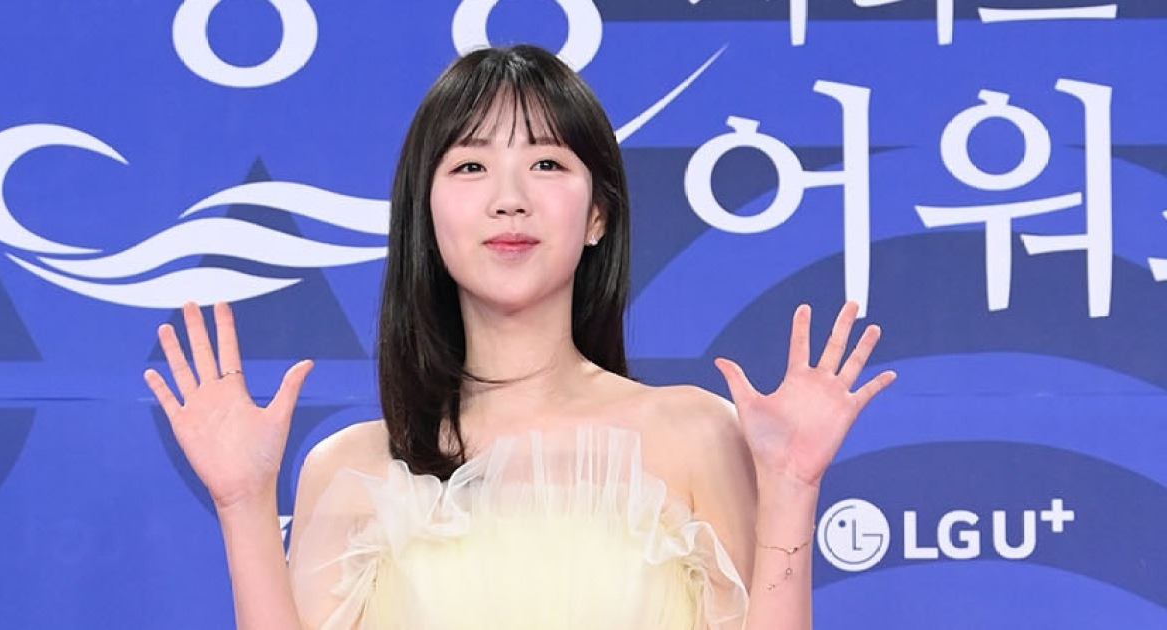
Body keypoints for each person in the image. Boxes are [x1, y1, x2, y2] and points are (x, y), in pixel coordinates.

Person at [144, 44, 895, 630]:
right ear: (426, 214)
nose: (509, 199)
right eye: (471, 165)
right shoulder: (352, 468)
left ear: (597, 215)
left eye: (546, 162)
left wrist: (792, 489)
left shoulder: (693, 432)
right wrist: (243, 502)